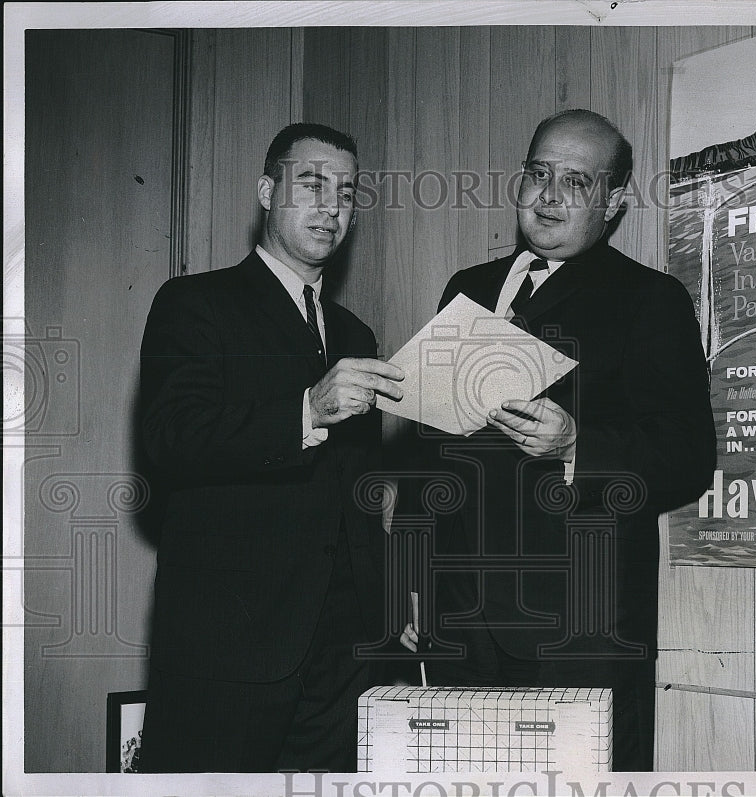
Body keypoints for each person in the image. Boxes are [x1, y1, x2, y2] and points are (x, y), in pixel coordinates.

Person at [398, 109, 717, 771]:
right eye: (538, 174)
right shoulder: (468, 290)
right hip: (457, 624)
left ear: (614, 201)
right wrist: (410, 584)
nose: (547, 195)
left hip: (578, 630)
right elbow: (426, 456)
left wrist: (577, 445)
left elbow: (687, 456)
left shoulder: (649, 299)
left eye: (575, 182)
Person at [138, 123, 405, 773]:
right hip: (230, 648)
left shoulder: (354, 330)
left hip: (346, 650)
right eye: (311, 184)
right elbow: (168, 439)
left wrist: (392, 601)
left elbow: (357, 489)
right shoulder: (194, 303)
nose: (331, 207)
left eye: (345, 192)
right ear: (266, 189)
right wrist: (306, 410)